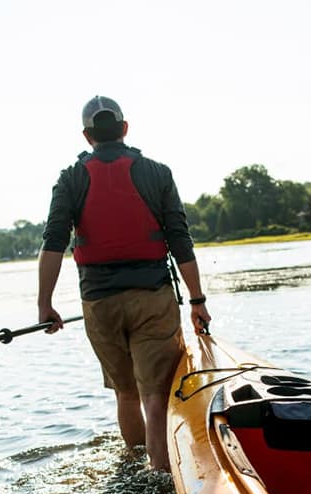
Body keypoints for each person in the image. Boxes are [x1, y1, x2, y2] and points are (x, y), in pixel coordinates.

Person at [37, 95, 211, 471]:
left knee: (126, 393)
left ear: (87, 136)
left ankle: (135, 472)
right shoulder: (158, 173)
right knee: (156, 395)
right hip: (152, 298)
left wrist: (44, 305)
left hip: (100, 305)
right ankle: (162, 478)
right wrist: (197, 300)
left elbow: (53, 242)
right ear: (125, 128)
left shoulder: (69, 179)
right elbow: (180, 240)